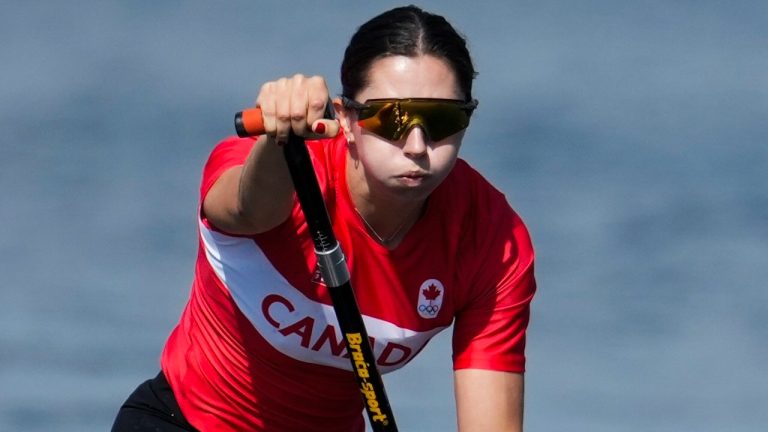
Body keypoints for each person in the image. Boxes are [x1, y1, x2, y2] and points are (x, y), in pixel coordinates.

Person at [112, 5, 536, 432]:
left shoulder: (493, 239)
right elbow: (248, 211)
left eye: (442, 118)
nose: (416, 145)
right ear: (346, 118)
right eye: (393, 117)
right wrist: (280, 134)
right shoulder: (283, 170)